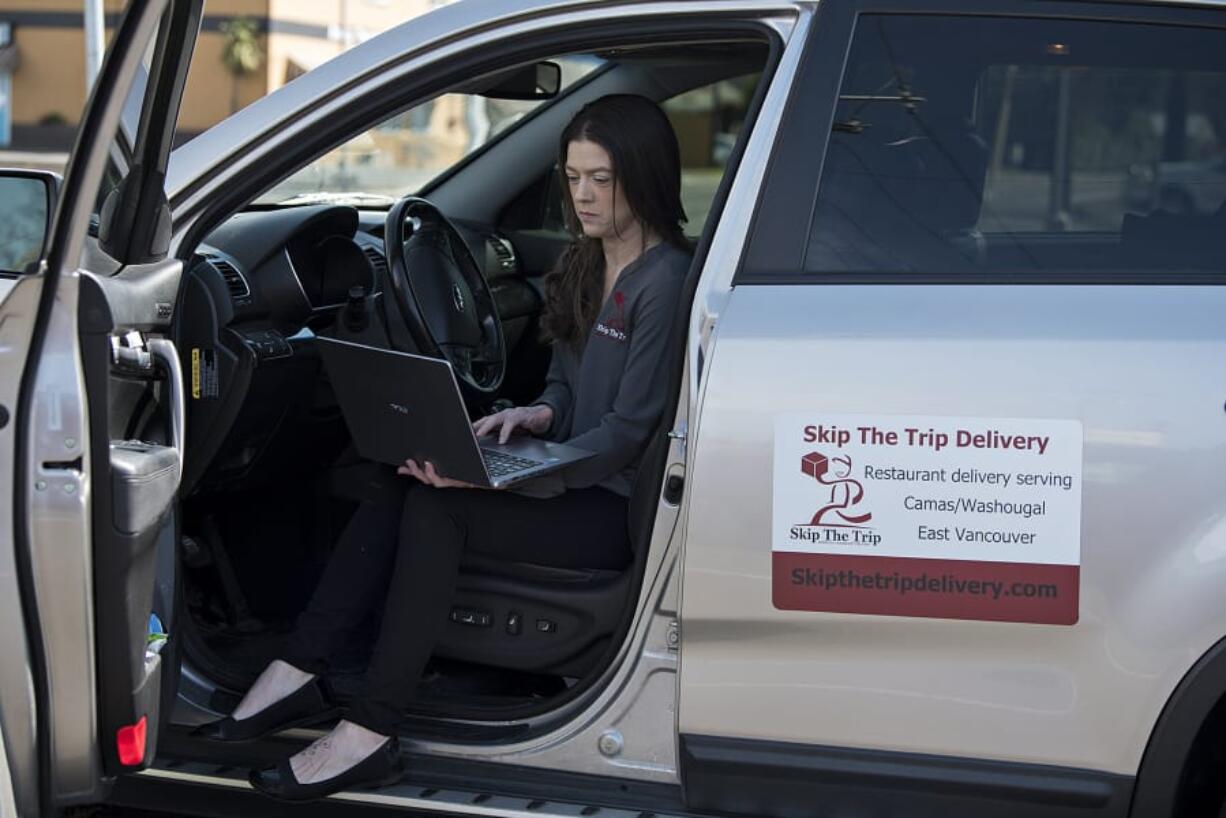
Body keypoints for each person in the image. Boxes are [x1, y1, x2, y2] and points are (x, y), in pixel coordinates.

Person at [196, 93, 693, 801]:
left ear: (643, 176)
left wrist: (500, 482)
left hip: (608, 505)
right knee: (395, 480)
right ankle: (298, 669)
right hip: (570, 472)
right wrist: (532, 416)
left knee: (440, 509)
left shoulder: (665, 281)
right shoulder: (591, 261)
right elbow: (564, 385)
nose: (582, 195)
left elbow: (624, 435)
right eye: (573, 176)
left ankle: (372, 728)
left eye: (601, 180)